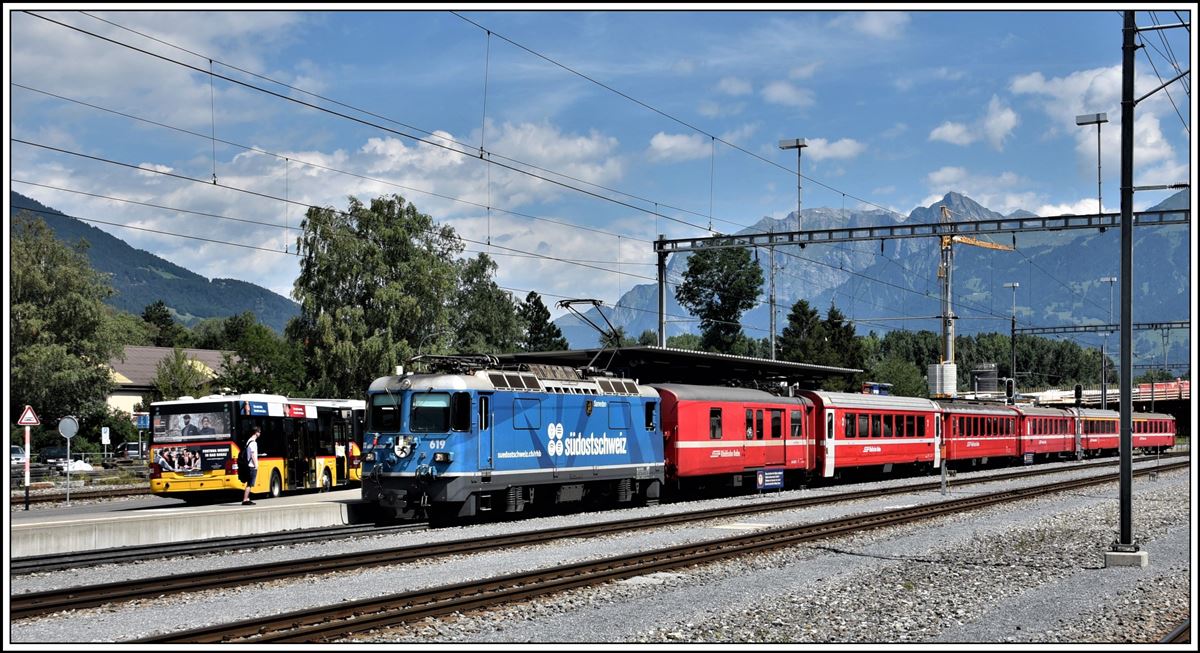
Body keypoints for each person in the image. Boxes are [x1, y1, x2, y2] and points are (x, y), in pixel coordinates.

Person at [241, 427, 260, 505]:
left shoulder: (249, 441)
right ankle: (245, 499)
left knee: (249, 483)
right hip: (251, 465)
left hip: (249, 465)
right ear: (256, 432)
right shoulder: (253, 443)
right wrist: (256, 465)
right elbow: (253, 454)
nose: (260, 433)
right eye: (259, 432)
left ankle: (247, 498)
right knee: (249, 483)